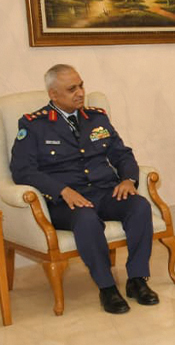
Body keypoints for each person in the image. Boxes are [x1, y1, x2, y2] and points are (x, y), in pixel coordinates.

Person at [9, 64, 159, 314]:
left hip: (104, 191)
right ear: (53, 94)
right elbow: (22, 170)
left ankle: (137, 280)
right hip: (65, 202)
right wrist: (62, 190)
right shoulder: (35, 125)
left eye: (81, 86)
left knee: (139, 206)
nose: (80, 93)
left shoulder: (96, 118)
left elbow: (122, 154)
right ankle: (107, 288)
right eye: (72, 89)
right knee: (87, 219)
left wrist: (128, 180)